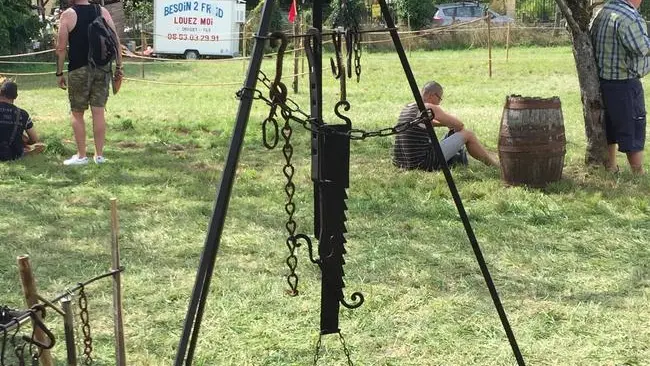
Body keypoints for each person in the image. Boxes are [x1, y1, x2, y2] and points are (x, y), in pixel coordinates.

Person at [56, 0, 123, 165]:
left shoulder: (68, 15)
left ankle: (81, 156)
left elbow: (61, 48)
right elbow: (115, 41)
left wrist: (59, 73)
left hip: (79, 70)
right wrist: (119, 67)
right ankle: (99, 156)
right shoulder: (101, 11)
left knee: (77, 113)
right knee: (98, 112)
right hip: (102, 69)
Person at [590, 0, 650, 174]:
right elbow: (642, 48)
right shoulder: (628, 17)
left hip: (604, 81)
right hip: (625, 82)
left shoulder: (604, 11)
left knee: (609, 126)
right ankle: (637, 172)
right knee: (632, 126)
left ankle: (611, 166)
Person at [393, 81, 499, 171]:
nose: (439, 103)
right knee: (468, 134)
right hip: (421, 163)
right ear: (432, 96)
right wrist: (451, 124)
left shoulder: (409, 106)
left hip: (402, 162)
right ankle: (495, 166)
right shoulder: (429, 108)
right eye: (439, 98)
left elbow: (428, 124)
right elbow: (460, 125)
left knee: (452, 134)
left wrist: (445, 124)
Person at [0, 80, 43, 161]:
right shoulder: (23, 114)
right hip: (12, 154)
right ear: (16, 96)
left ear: (0, 92)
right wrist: (24, 141)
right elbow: (34, 139)